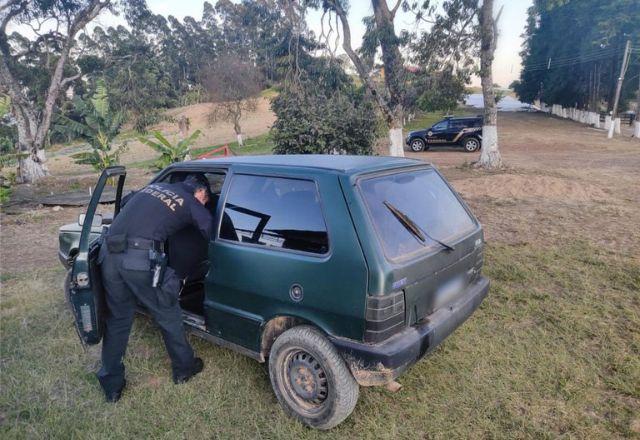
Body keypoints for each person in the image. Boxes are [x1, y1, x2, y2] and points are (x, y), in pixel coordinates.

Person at [96, 175, 212, 402]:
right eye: (205, 201)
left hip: (109, 255)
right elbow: (210, 229)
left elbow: (126, 202)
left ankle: (111, 387)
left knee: (118, 320)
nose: (203, 204)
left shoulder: (154, 187)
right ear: (201, 194)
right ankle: (184, 368)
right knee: (168, 313)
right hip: (139, 260)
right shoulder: (191, 202)